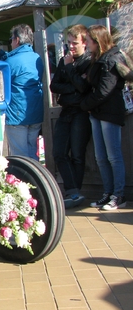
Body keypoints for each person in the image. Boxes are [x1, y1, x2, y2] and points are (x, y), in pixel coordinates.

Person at [80, 24, 128, 210]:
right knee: (101, 157)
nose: (86, 44)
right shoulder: (97, 58)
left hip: (108, 111)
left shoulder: (111, 58)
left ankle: (119, 194)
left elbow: (104, 91)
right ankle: (108, 193)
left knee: (113, 156)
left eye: (89, 41)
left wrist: (85, 105)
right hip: (98, 113)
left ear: (97, 41)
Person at [0, 24, 44, 160]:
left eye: (11, 39)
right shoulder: (36, 58)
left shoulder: (11, 61)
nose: (11, 43)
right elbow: (16, 64)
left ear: (17, 40)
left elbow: (1, 79)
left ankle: (26, 180)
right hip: (35, 112)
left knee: (20, 156)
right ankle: (36, 179)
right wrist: (0, 52)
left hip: (17, 115)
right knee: (32, 153)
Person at [50, 24, 92, 209]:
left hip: (81, 112)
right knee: (59, 152)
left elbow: (84, 88)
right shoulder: (64, 61)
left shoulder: (88, 61)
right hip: (66, 110)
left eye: (75, 43)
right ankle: (72, 191)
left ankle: (75, 192)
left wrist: (70, 72)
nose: (71, 47)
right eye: (68, 43)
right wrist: (72, 88)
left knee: (77, 154)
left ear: (84, 43)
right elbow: (54, 86)